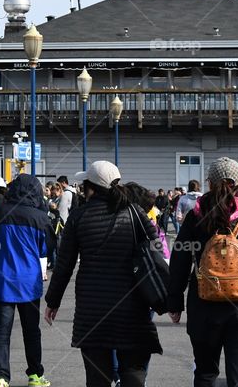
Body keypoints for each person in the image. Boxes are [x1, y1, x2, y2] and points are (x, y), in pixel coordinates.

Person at [168, 157, 238, 387]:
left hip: (203, 307)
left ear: (209, 183)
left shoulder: (195, 219)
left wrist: (175, 302)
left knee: (205, 374)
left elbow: (179, 260)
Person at [46, 164, 162, 387]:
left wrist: (53, 300)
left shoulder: (79, 216)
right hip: (132, 305)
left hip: (92, 309)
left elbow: (64, 264)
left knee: (97, 377)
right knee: (133, 373)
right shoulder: (134, 212)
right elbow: (157, 248)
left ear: (90, 188)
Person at [0, 174, 52, 387]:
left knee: (1, 332)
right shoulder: (40, 218)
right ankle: (35, 374)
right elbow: (46, 249)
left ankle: (2, 376)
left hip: (2, 278)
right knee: (31, 330)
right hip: (29, 281)